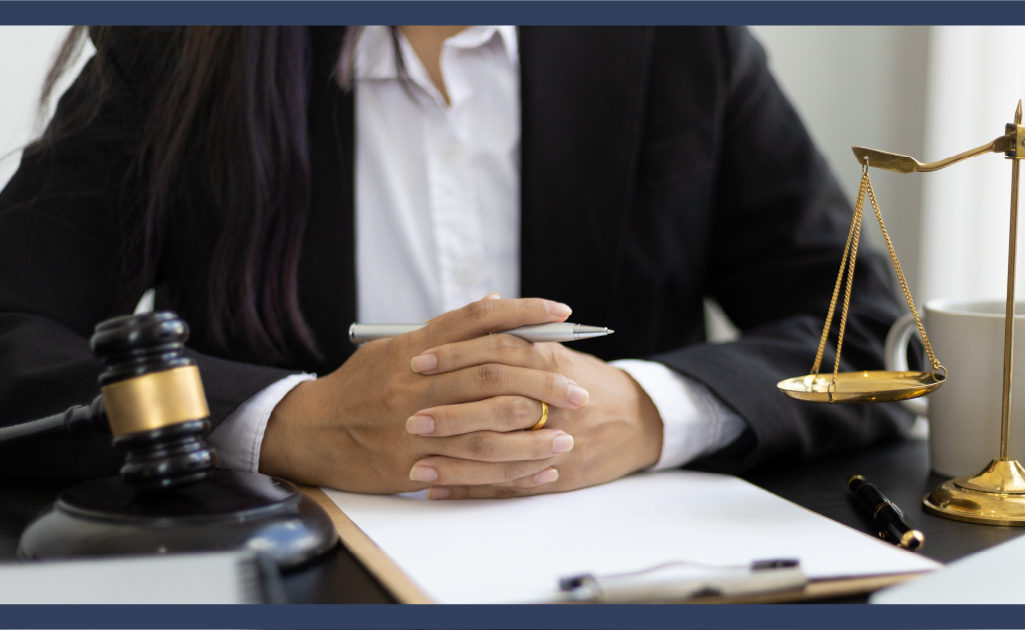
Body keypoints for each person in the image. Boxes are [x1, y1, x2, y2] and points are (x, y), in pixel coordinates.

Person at [0, 26, 912, 497]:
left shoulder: (676, 37)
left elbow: (869, 330)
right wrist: (284, 422)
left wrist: (648, 411)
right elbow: (13, 331)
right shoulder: (179, 48)